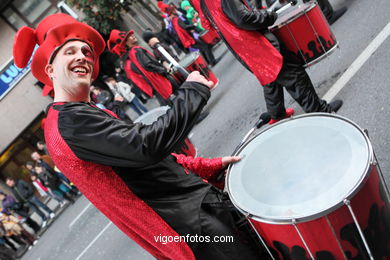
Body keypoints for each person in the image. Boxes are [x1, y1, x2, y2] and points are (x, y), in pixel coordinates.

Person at [13, 13, 265, 259]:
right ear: (50, 70)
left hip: (193, 213)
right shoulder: (70, 122)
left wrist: (201, 166)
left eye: (86, 51)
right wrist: (193, 90)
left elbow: (139, 166)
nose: (82, 56)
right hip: (190, 228)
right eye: (70, 52)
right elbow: (145, 145)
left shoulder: (75, 115)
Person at [199, 0, 343, 124]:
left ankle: (277, 113)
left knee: (270, 76)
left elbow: (210, 24)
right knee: (294, 75)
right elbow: (243, 18)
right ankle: (321, 113)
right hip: (256, 43)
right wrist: (269, 16)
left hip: (243, 47)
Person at [107, 29, 177, 105]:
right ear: (126, 43)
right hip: (161, 81)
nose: (132, 36)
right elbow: (148, 65)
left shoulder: (128, 60)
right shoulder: (136, 50)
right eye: (129, 37)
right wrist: (164, 70)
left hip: (156, 87)